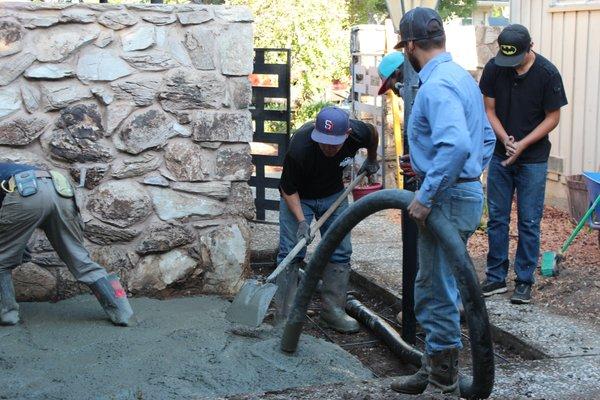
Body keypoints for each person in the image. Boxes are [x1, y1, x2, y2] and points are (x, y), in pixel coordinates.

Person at [389, 8, 496, 396]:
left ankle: (442, 381)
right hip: (461, 191)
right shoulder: (463, 79)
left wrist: (430, 191)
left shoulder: (435, 86)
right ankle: (434, 367)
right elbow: (483, 141)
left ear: (412, 45)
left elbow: (456, 144)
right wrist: (464, 173)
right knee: (434, 283)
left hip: (446, 199)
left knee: (435, 291)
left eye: (407, 48)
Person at [479, 24, 567, 304]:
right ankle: (495, 278)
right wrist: (505, 140)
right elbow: (489, 110)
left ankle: (524, 280)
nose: (512, 66)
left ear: (530, 47)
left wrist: (523, 144)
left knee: (529, 222)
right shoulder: (494, 68)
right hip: (500, 153)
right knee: (497, 219)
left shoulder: (548, 73)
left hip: (533, 160)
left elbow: (552, 117)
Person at [278, 106, 379, 333]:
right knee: (291, 252)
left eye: (334, 143)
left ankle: (332, 311)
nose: (328, 148)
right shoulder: (300, 147)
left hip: (334, 194)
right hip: (299, 196)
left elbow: (373, 134)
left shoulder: (358, 133)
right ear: (316, 131)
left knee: (341, 250)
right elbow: (287, 188)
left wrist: (371, 159)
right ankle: (285, 316)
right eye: (323, 142)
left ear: (348, 133)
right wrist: (302, 221)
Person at [0, 162, 133, 327]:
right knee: (79, 258)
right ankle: (122, 312)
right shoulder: (9, 167)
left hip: (25, 193)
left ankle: (7, 315)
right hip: (60, 189)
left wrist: (12, 253)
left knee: (2, 261)